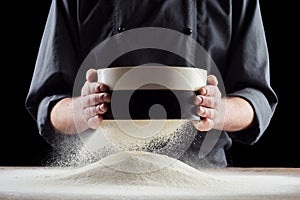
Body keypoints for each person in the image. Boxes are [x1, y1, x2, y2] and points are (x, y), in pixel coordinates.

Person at [25, 0, 278, 168]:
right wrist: (83, 110)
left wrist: (218, 110)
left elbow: (256, 99)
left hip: (202, 178)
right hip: (102, 178)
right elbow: (50, 108)